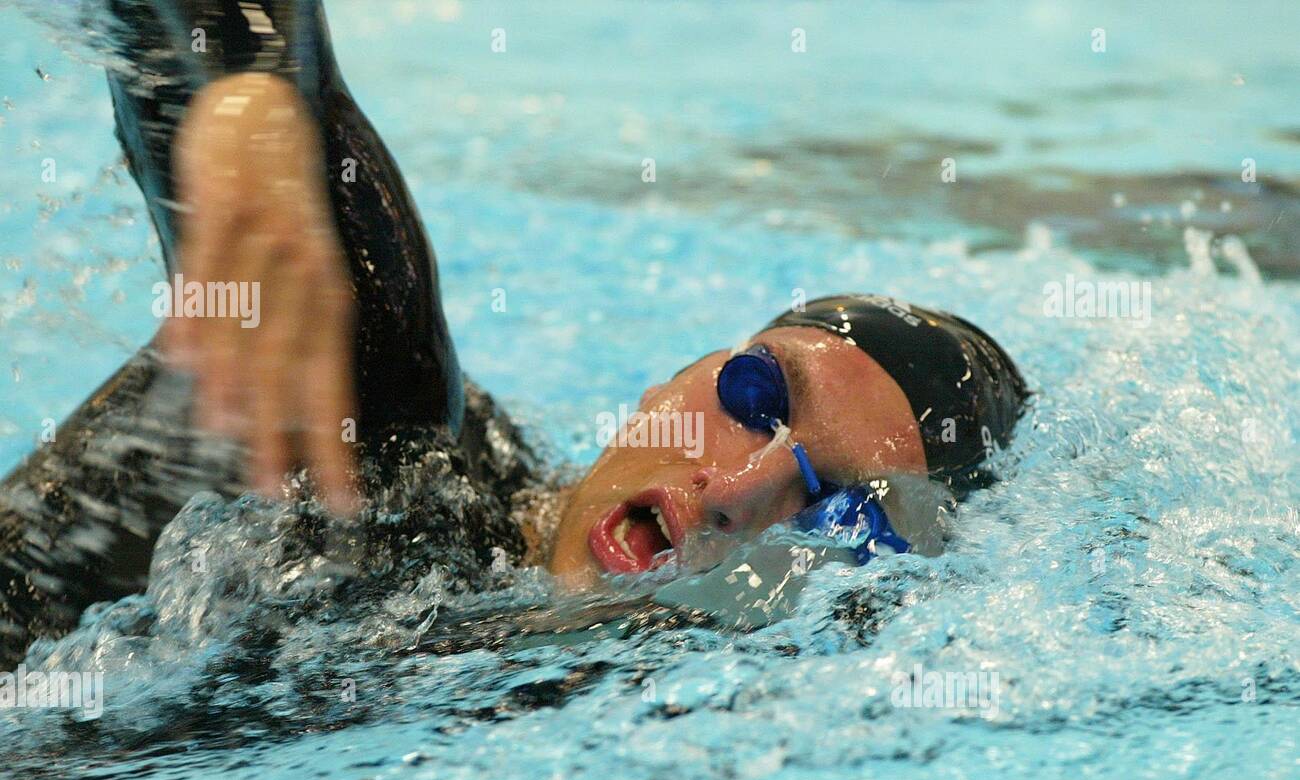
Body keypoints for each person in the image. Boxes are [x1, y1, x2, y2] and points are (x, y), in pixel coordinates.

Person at [0, 0, 1026, 669]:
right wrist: (246, 96)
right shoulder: (384, 435)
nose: (737, 491)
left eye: (840, 511)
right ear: (671, 382)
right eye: (757, 397)